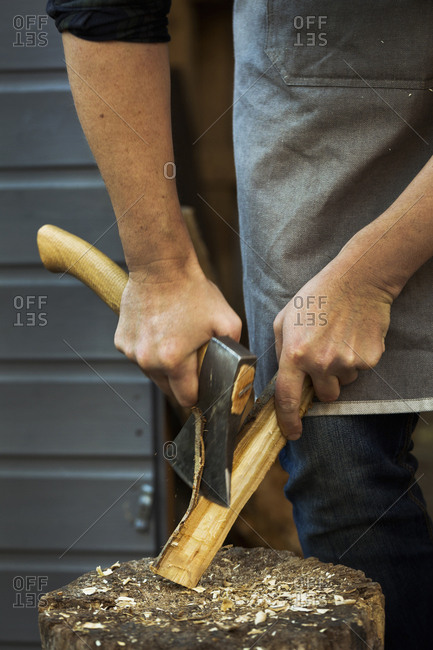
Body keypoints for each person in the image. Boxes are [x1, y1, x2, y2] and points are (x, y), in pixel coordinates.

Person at [47, 1, 433, 647]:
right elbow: (105, 9)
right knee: (339, 464)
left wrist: (371, 273)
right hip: (317, 103)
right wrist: (158, 268)